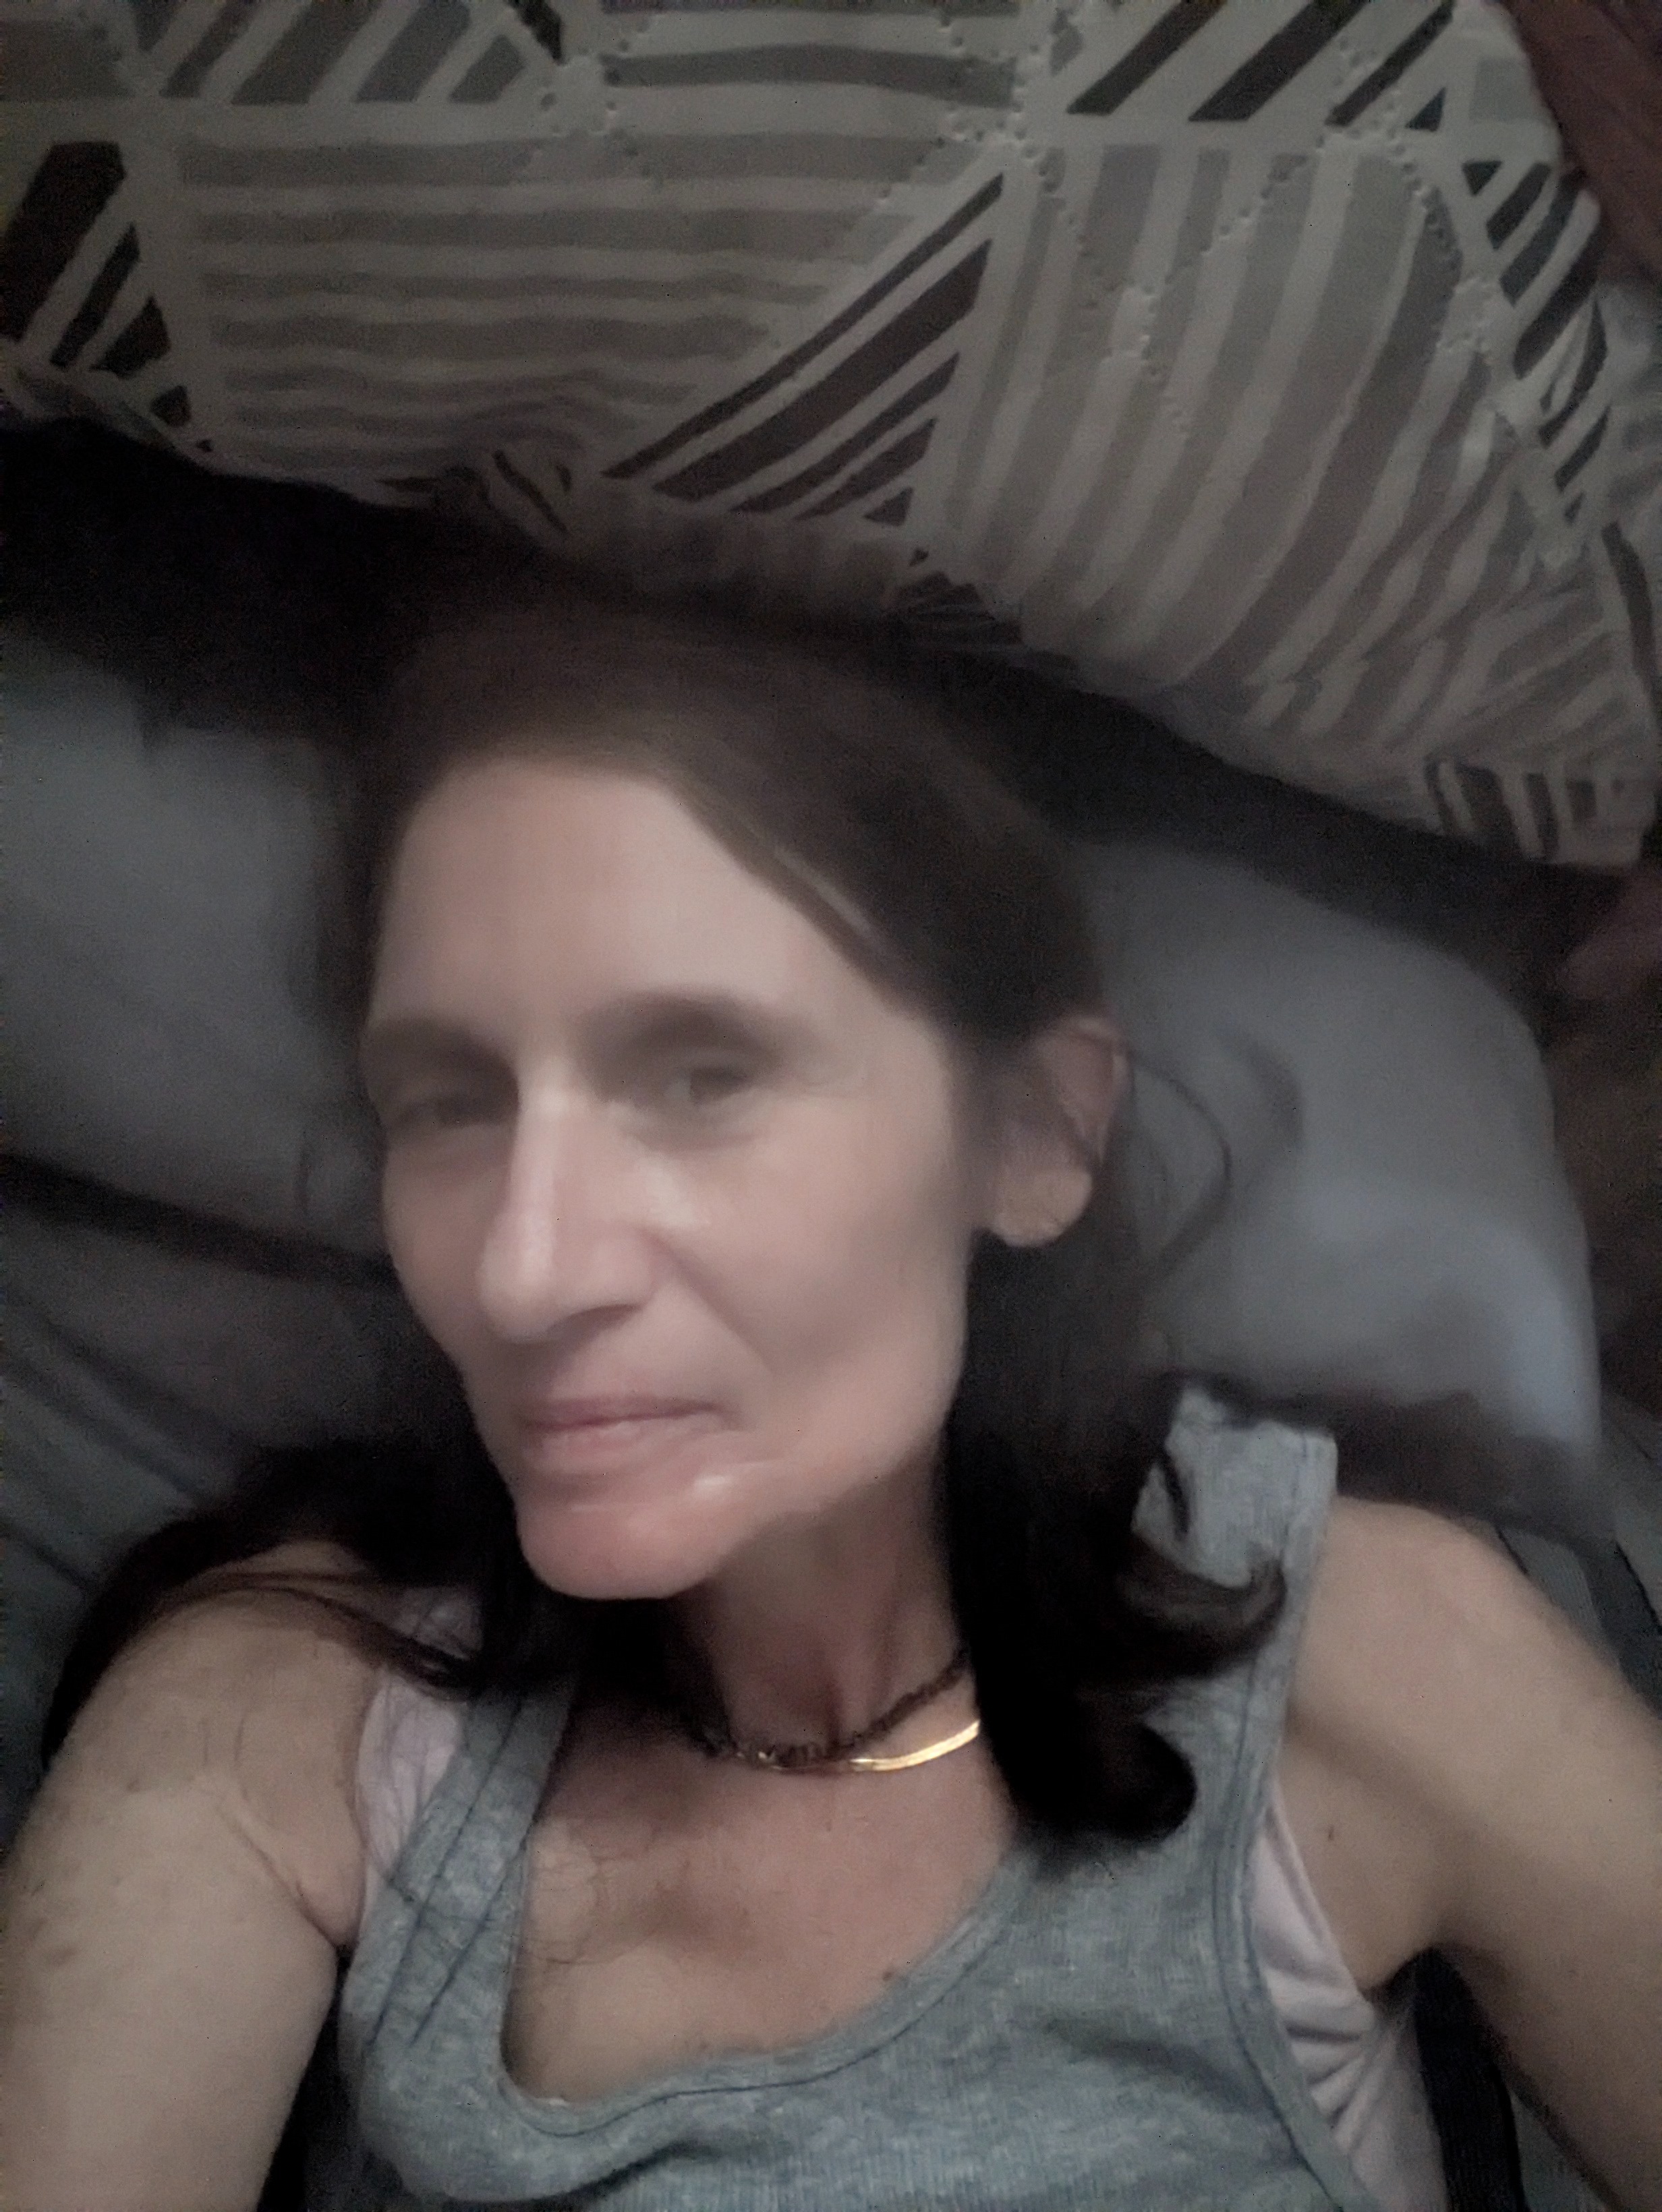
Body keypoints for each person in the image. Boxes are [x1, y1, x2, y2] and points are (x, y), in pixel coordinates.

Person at [1, 580, 1657, 2212]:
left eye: (699, 1076)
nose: (518, 1270)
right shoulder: (279, 1716)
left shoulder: (1346, 1654)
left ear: (1030, 1134)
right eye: (448, 1101)